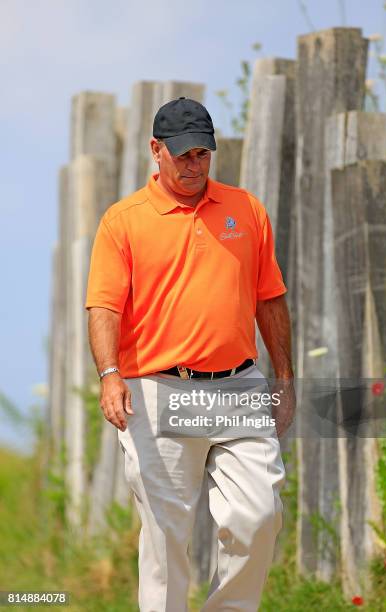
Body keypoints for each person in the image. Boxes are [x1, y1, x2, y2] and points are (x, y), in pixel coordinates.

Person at [85, 96, 295, 611]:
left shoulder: (246, 210)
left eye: (203, 153)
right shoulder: (123, 220)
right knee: (165, 537)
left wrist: (285, 378)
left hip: (240, 387)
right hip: (157, 389)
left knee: (259, 515)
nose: (194, 164)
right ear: (156, 150)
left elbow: (270, 298)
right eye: (182, 154)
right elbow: (104, 306)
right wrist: (110, 374)